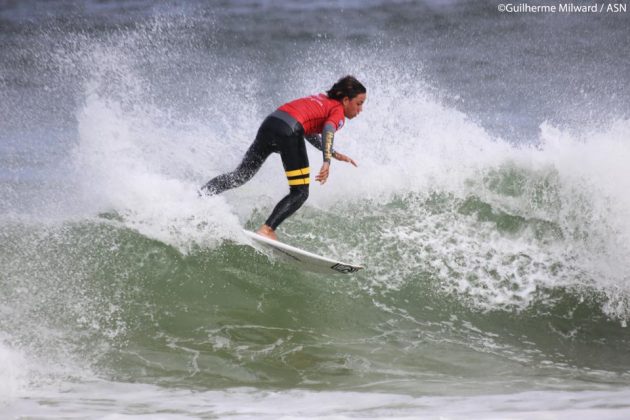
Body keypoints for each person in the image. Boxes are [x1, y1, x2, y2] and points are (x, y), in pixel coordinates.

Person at [200, 75, 367, 240]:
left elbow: (307, 129)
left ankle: (200, 197)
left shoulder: (320, 99)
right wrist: (326, 161)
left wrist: (334, 153)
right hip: (288, 132)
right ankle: (267, 230)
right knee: (300, 192)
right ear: (345, 100)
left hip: (271, 123)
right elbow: (328, 129)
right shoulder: (337, 111)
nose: (360, 109)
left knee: (240, 176)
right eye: (359, 104)